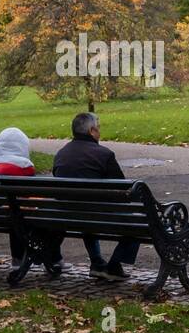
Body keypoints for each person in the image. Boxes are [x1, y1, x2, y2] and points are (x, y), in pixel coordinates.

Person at [53, 112, 138, 281]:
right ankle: (114, 265)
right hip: (97, 216)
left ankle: (97, 264)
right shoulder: (104, 154)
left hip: (67, 215)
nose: (100, 131)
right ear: (92, 131)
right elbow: (123, 189)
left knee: (87, 212)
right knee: (138, 221)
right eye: (98, 128)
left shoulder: (61, 154)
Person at [0, 127, 37, 268]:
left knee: (13, 212)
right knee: (21, 215)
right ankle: (51, 258)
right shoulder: (25, 167)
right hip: (19, 216)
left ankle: (17, 258)